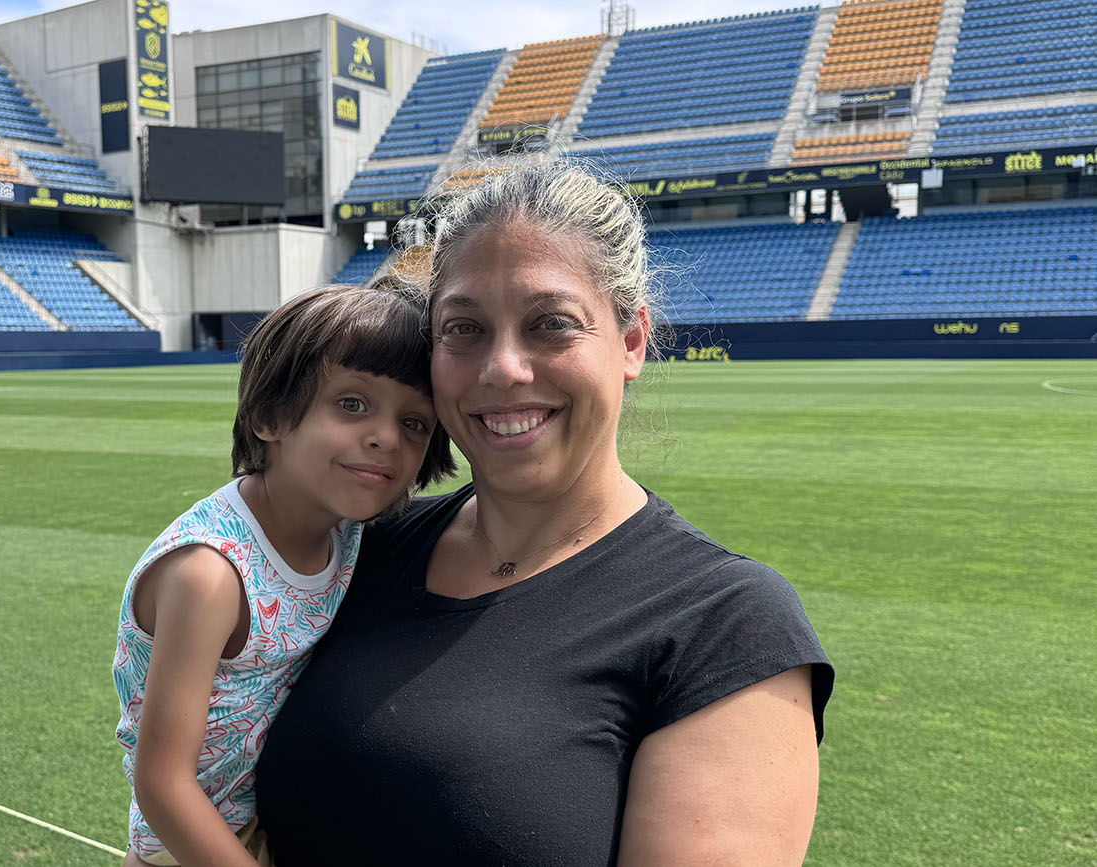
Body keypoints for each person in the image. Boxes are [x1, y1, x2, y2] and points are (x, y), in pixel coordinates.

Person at [253, 162, 834, 866]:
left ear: (630, 341)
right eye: (464, 328)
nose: (503, 367)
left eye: (551, 324)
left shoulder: (725, 624)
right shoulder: (358, 548)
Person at [113, 282, 455, 867]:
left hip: (280, 817)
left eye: (415, 423)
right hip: (196, 845)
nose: (386, 437)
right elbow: (163, 785)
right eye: (353, 404)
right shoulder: (211, 575)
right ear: (270, 414)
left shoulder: (349, 531)